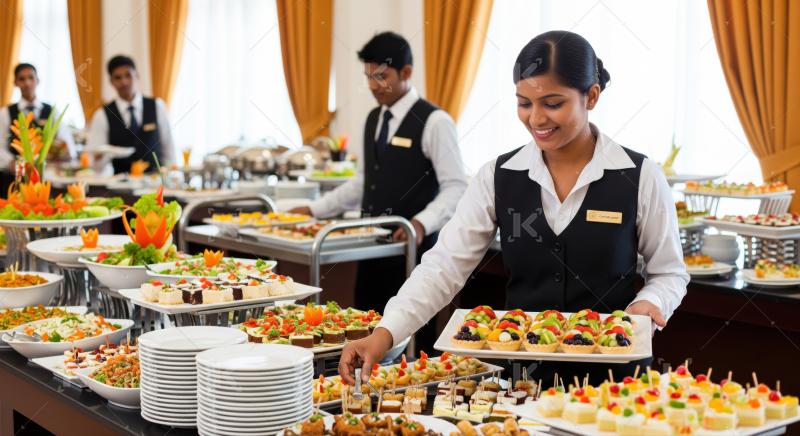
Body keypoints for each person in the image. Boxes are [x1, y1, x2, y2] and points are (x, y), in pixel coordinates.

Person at [339, 31, 689, 386]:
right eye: (524, 103)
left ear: (592, 96)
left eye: (553, 104)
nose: (536, 119)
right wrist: (384, 334)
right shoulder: (497, 175)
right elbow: (443, 267)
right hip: (524, 382)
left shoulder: (640, 175)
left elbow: (669, 272)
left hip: (616, 381)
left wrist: (650, 302)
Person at [291, 32, 468, 341]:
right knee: (365, 331)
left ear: (407, 73)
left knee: (410, 341)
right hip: (371, 251)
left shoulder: (435, 121)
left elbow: (455, 187)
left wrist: (420, 223)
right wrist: (314, 209)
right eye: (369, 77)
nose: (373, 85)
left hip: (413, 254)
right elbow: (364, 181)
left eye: (381, 76)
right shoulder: (374, 118)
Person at [87, 55, 175, 174]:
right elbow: (95, 163)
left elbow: (169, 148)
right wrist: (100, 157)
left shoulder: (157, 106)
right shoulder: (102, 115)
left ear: (137, 75)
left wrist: (172, 175)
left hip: (156, 183)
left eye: (128, 75)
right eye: (118, 78)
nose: (124, 82)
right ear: (111, 82)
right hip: (120, 186)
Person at [0, 63, 76, 189]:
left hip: (47, 178)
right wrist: (11, 162)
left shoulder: (52, 111)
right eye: (22, 79)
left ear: (37, 81)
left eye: (31, 78)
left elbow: (67, 143)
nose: (27, 83)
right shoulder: (5, 113)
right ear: (15, 83)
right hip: (15, 179)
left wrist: (64, 152)